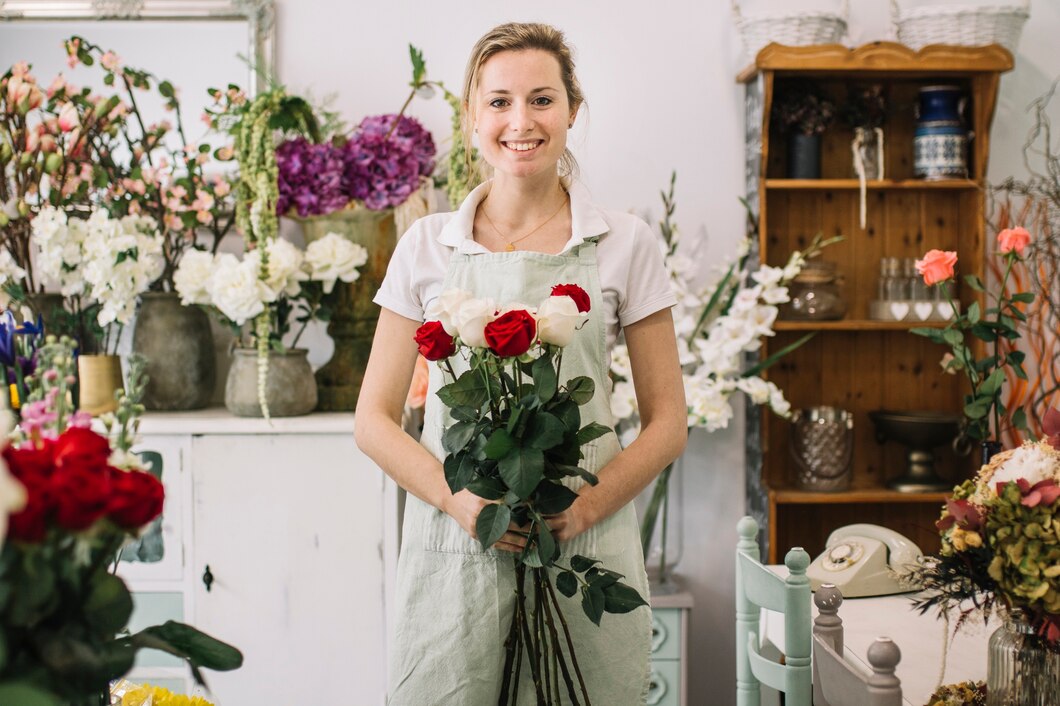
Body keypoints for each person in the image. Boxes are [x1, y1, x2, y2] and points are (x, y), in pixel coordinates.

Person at [355, 21, 686, 705]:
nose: (520, 121)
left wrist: (588, 505)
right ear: (473, 117)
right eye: (499, 101)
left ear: (572, 110)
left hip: (584, 543)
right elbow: (374, 421)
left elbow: (668, 422)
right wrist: (458, 500)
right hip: (458, 549)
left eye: (541, 99)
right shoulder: (425, 246)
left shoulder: (625, 243)